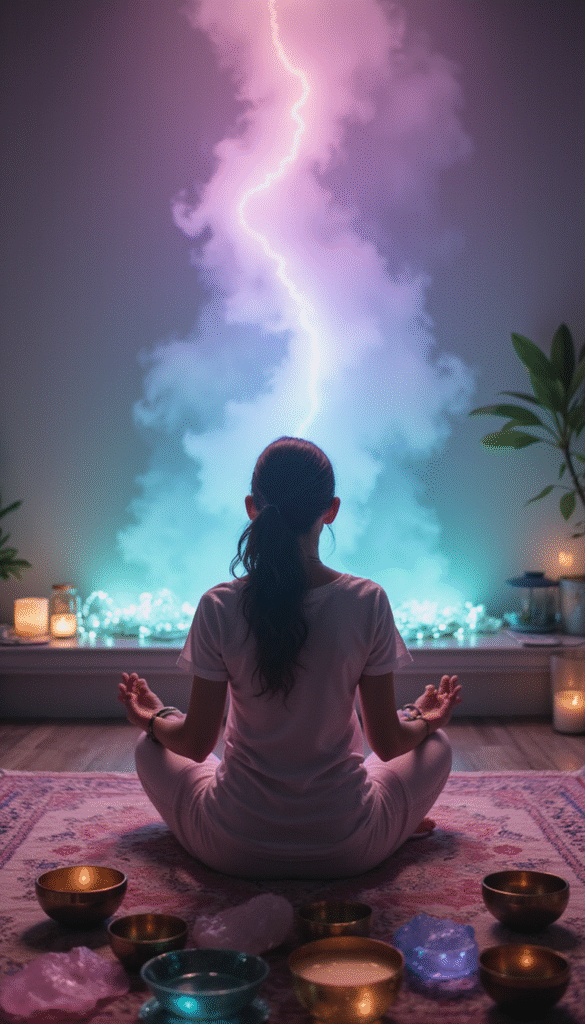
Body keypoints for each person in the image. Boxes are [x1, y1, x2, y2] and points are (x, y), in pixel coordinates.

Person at [118, 437, 461, 878]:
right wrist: (427, 717)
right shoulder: (367, 600)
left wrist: (151, 716)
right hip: (348, 845)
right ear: (331, 510)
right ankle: (399, 824)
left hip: (231, 844)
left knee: (149, 747)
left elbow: (196, 744)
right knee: (437, 746)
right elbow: (390, 744)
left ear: (251, 507)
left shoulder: (219, 605)